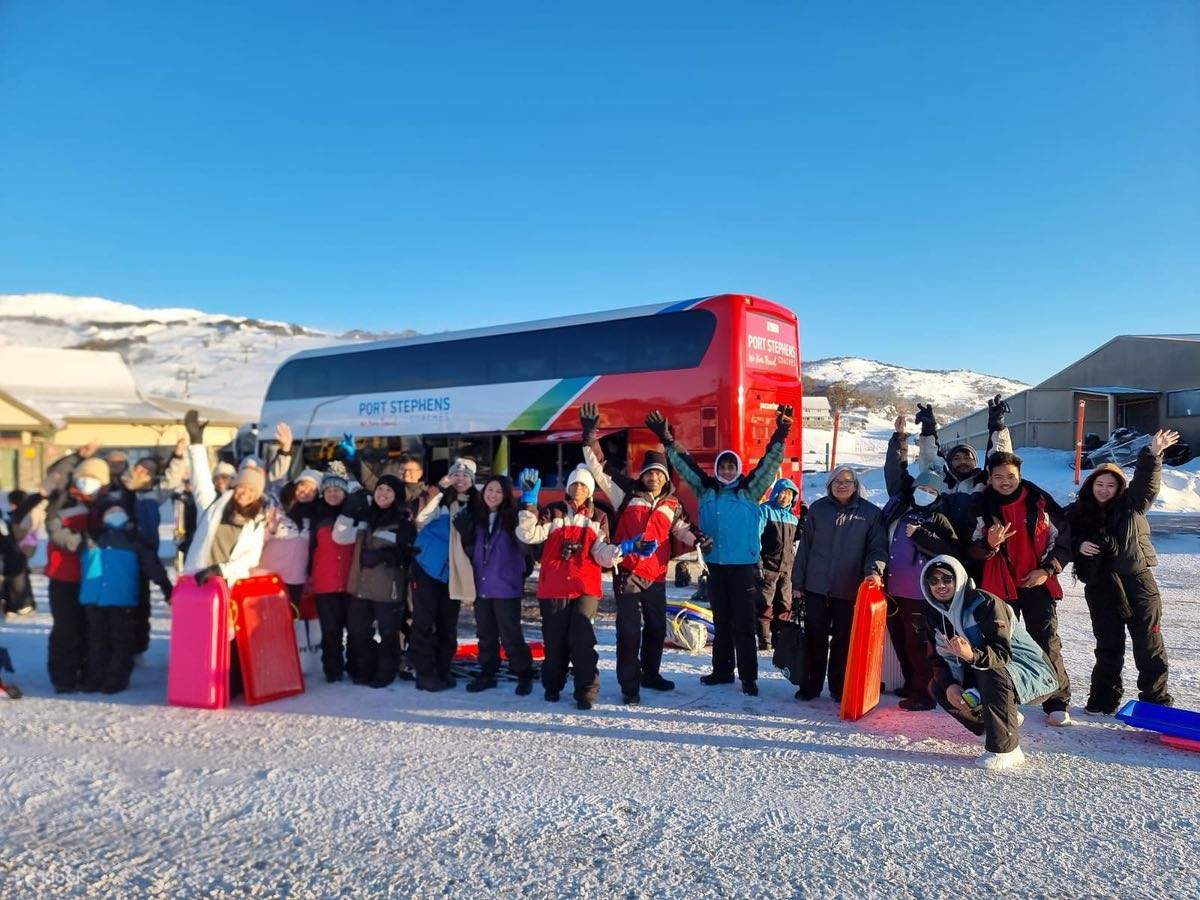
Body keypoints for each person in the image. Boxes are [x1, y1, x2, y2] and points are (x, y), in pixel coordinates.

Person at [647, 405, 793, 697]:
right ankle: (722, 671)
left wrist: (782, 431)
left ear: (737, 468)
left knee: (744, 623)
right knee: (721, 621)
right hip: (715, 567)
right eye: (723, 466)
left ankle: (749, 677)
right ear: (717, 469)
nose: (727, 470)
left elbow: (769, 461)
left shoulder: (750, 490)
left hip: (743, 569)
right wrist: (667, 438)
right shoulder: (706, 490)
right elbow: (684, 464)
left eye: (731, 466)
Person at [580, 402, 695, 704]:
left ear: (665, 478)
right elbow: (600, 469)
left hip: (656, 576)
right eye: (649, 473)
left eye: (658, 474)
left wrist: (698, 540)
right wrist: (591, 436)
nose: (653, 478)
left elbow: (682, 529)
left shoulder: (672, 504)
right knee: (630, 631)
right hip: (628, 574)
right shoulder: (627, 493)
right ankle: (629, 686)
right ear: (642, 475)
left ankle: (651, 674)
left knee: (657, 628)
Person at [1063, 430, 1179, 713]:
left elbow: (1146, 484)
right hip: (1101, 586)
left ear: (1119, 488)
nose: (1103, 489)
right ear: (1091, 485)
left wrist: (1152, 454)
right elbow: (1060, 536)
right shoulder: (1077, 512)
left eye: (1110, 485)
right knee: (1108, 647)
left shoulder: (1132, 507)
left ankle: (1155, 702)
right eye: (1099, 484)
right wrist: (1079, 545)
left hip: (1137, 583)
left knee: (1149, 646)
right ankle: (1103, 701)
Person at [921, 556, 1061, 771]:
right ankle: (994, 726)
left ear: (958, 579)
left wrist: (970, 655)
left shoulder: (985, 603)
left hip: (1030, 671)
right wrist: (950, 685)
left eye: (947, 579)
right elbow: (937, 659)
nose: (940, 585)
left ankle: (1007, 749)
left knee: (990, 671)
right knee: (939, 686)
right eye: (933, 581)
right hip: (980, 669)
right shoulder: (933, 613)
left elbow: (1002, 654)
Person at [968, 450, 1073, 725]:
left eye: (1010, 476)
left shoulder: (1039, 501)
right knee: (1003, 644)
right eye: (998, 477)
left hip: (1037, 582)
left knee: (1046, 639)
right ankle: (1007, 699)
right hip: (999, 587)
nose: (1005, 481)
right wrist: (989, 545)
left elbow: (1065, 539)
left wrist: (1047, 570)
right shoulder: (980, 506)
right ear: (989, 479)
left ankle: (1057, 700)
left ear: (1020, 476)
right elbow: (970, 550)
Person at [516, 463, 621, 710]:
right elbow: (528, 535)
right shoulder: (553, 512)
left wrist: (618, 552)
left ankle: (586, 690)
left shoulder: (598, 517)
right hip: (553, 587)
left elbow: (601, 553)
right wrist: (529, 503)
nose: (578, 488)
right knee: (555, 642)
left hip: (585, 587)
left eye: (584, 485)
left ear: (591, 490)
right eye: (574, 483)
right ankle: (553, 685)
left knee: (583, 641)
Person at [883, 413, 961, 710]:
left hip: (921, 593)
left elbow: (950, 550)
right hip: (894, 589)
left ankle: (925, 693)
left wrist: (923, 536)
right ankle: (910, 683)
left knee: (920, 645)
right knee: (900, 641)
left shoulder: (939, 518)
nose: (925, 494)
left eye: (931, 491)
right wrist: (900, 439)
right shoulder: (900, 509)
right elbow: (895, 471)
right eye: (922, 488)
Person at [791, 465, 888, 702]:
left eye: (847, 481)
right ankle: (811, 685)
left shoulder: (870, 514)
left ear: (855, 486)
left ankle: (838, 686)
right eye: (837, 481)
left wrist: (874, 572)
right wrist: (797, 582)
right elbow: (804, 548)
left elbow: (877, 548)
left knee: (843, 641)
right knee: (815, 638)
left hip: (849, 588)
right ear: (829, 485)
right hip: (816, 586)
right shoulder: (818, 510)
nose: (842, 485)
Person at [80, 498, 173, 694]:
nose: (114, 514)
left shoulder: (133, 539)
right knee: (96, 640)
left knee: (120, 640)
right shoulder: (94, 536)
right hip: (93, 598)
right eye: (110, 511)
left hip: (121, 599)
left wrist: (166, 587)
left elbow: (152, 566)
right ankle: (95, 677)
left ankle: (117, 679)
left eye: (118, 510)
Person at [454, 475, 535, 696]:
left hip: (506, 585)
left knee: (510, 634)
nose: (493, 495)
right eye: (490, 490)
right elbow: (473, 554)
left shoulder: (513, 518)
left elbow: (527, 546)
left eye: (499, 491)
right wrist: (466, 537)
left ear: (506, 494)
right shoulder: (478, 518)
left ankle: (523, 673)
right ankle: (488, 672)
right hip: (482, 585)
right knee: (485, 634)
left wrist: (528, 505)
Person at [411, 458, 480, 692]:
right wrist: (439, 491)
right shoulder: (440, 502)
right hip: (427, 569)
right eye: (455, 474)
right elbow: (420, 519)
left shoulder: (476, 506)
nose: (460, 478)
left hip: (453, 573)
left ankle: (442, 668)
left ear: (472, 480)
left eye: (465, 475)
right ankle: (425, 673)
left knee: (448, 625)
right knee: (424, 623)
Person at [44, 453, 111, 693]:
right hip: (64, 576)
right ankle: (63, 678)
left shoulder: (103, 504)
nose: (86, 481)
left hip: (92, 577)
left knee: (88, 628)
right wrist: (82, 543)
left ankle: (87, 673)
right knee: (66, 628)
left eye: (93, 478)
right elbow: (54, 529)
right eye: (84, 476)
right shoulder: (63, 499)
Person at [346, 474, 418, 688]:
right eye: (379, 489)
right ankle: (364, 668)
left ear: (396, 496)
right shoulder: (364, 517)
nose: (383, 494)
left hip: (388, 588)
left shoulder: (403, 522)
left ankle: (386, 672)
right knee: (359, 631)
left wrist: (384, 555)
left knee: (388, 633)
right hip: (360, 585)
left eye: (389, 491)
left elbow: (408, 555)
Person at [917, 397, 1014, 544]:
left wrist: (997, 426)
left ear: (975, 462)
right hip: (942, 545)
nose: (963, 461)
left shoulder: (984, 480)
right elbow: (930, 460)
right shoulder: (941, 481)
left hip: (977, 547)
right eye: (956, 458)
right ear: (949, 463)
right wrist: (928, 431)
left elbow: (1000, 461)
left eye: (968, 458)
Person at [307, 463, 363, 683]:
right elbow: (310, 549)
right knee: (331, 631)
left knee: (356, 629)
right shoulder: (316, 516)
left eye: (337, 489)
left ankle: (355, 666)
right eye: (328, 490)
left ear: (345, 492)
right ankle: (333, 669)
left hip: (352, 582)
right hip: (325, 583)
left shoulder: (354, 514)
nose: (333, 493)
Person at [259, 468, 322, 610]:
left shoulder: (315, 516)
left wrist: (309, 576)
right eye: (303, 484)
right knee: (261, 618)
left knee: (288, 620)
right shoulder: (277, 507)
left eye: (312, 490)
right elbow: (256, 540)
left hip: (296, 578)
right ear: (295, 485)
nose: (306, 491)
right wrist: (271, 530)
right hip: (267, 572)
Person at [757, 478, 801, 651]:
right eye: (782, 492)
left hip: (786, 570)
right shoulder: (765, 511)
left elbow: (794, 542)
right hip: (768, 567)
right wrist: (758, 562)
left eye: (789, 494)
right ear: (776, 492)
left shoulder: (793, 518)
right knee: (765, 605)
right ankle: (764, 640)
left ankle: (780, 639)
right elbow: (756, 537)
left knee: (784, 605)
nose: (785, 497)